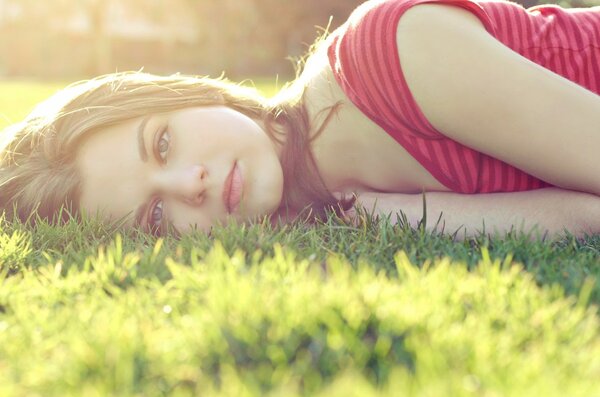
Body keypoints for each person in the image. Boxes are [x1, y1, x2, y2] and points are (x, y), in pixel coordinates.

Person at [2, 0, 600, 239]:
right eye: (157, 215)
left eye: (162, 144)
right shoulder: (327, 210)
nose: (191, 184)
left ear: (187, 94)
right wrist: (393, 214)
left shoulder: (392, 54)